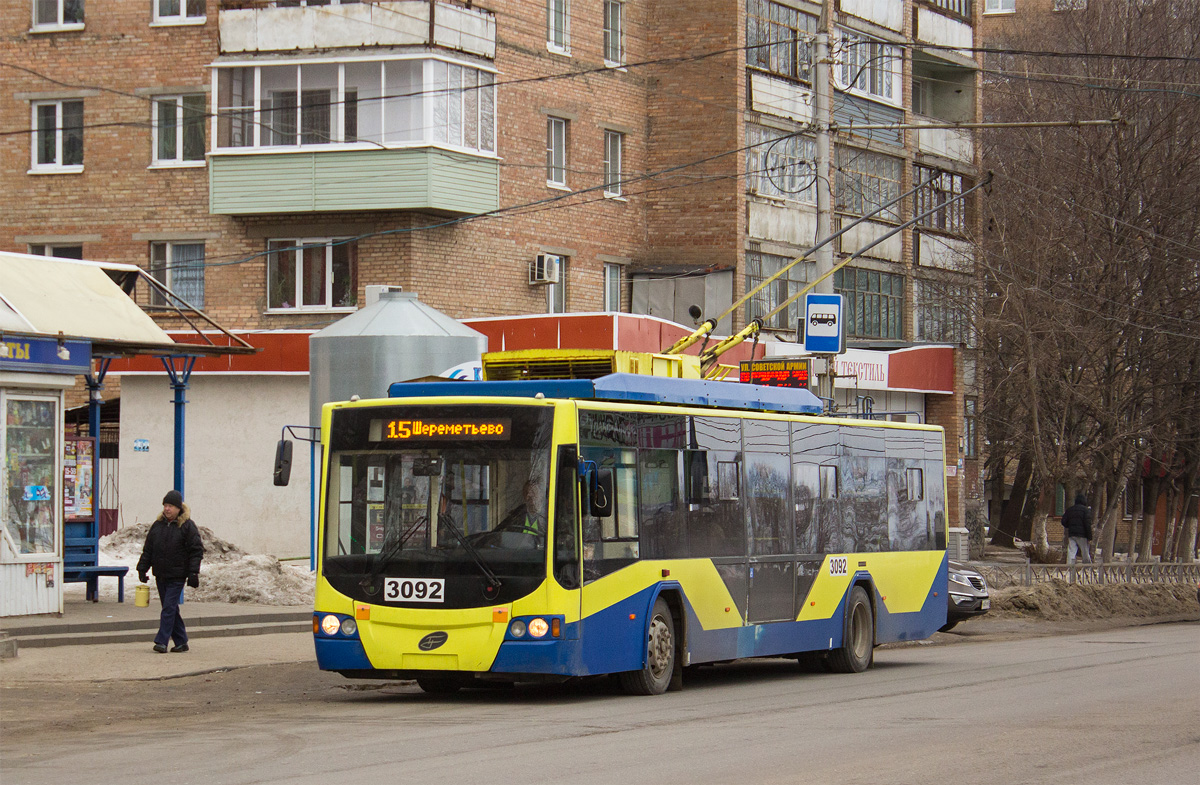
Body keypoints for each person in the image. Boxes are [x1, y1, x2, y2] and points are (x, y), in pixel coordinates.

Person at [137, 490, 204, 653]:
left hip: (177, 575)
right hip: (161, 574)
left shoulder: (187, 526)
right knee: (171, 608)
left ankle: (162, 641)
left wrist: (193, 573)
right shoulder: (157, 525)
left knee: (168, 607)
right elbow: (149, 549)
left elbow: (196, 551)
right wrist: (142, 568)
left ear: (178, 508)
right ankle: (181, 642)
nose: (167, 509)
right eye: (165, 506)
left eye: (171, 506)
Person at [1061, 493, 1093, 565]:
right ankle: (1087, 566)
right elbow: (1087, 524)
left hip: (1072, 534)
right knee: (1085, 550)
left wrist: (1069, 526)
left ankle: (1070, 565)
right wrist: (1089, 537)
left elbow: (1063, 521)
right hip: (1082, 535)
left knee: (1071, 550)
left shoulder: (1070, 510)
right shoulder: (1085, 510)